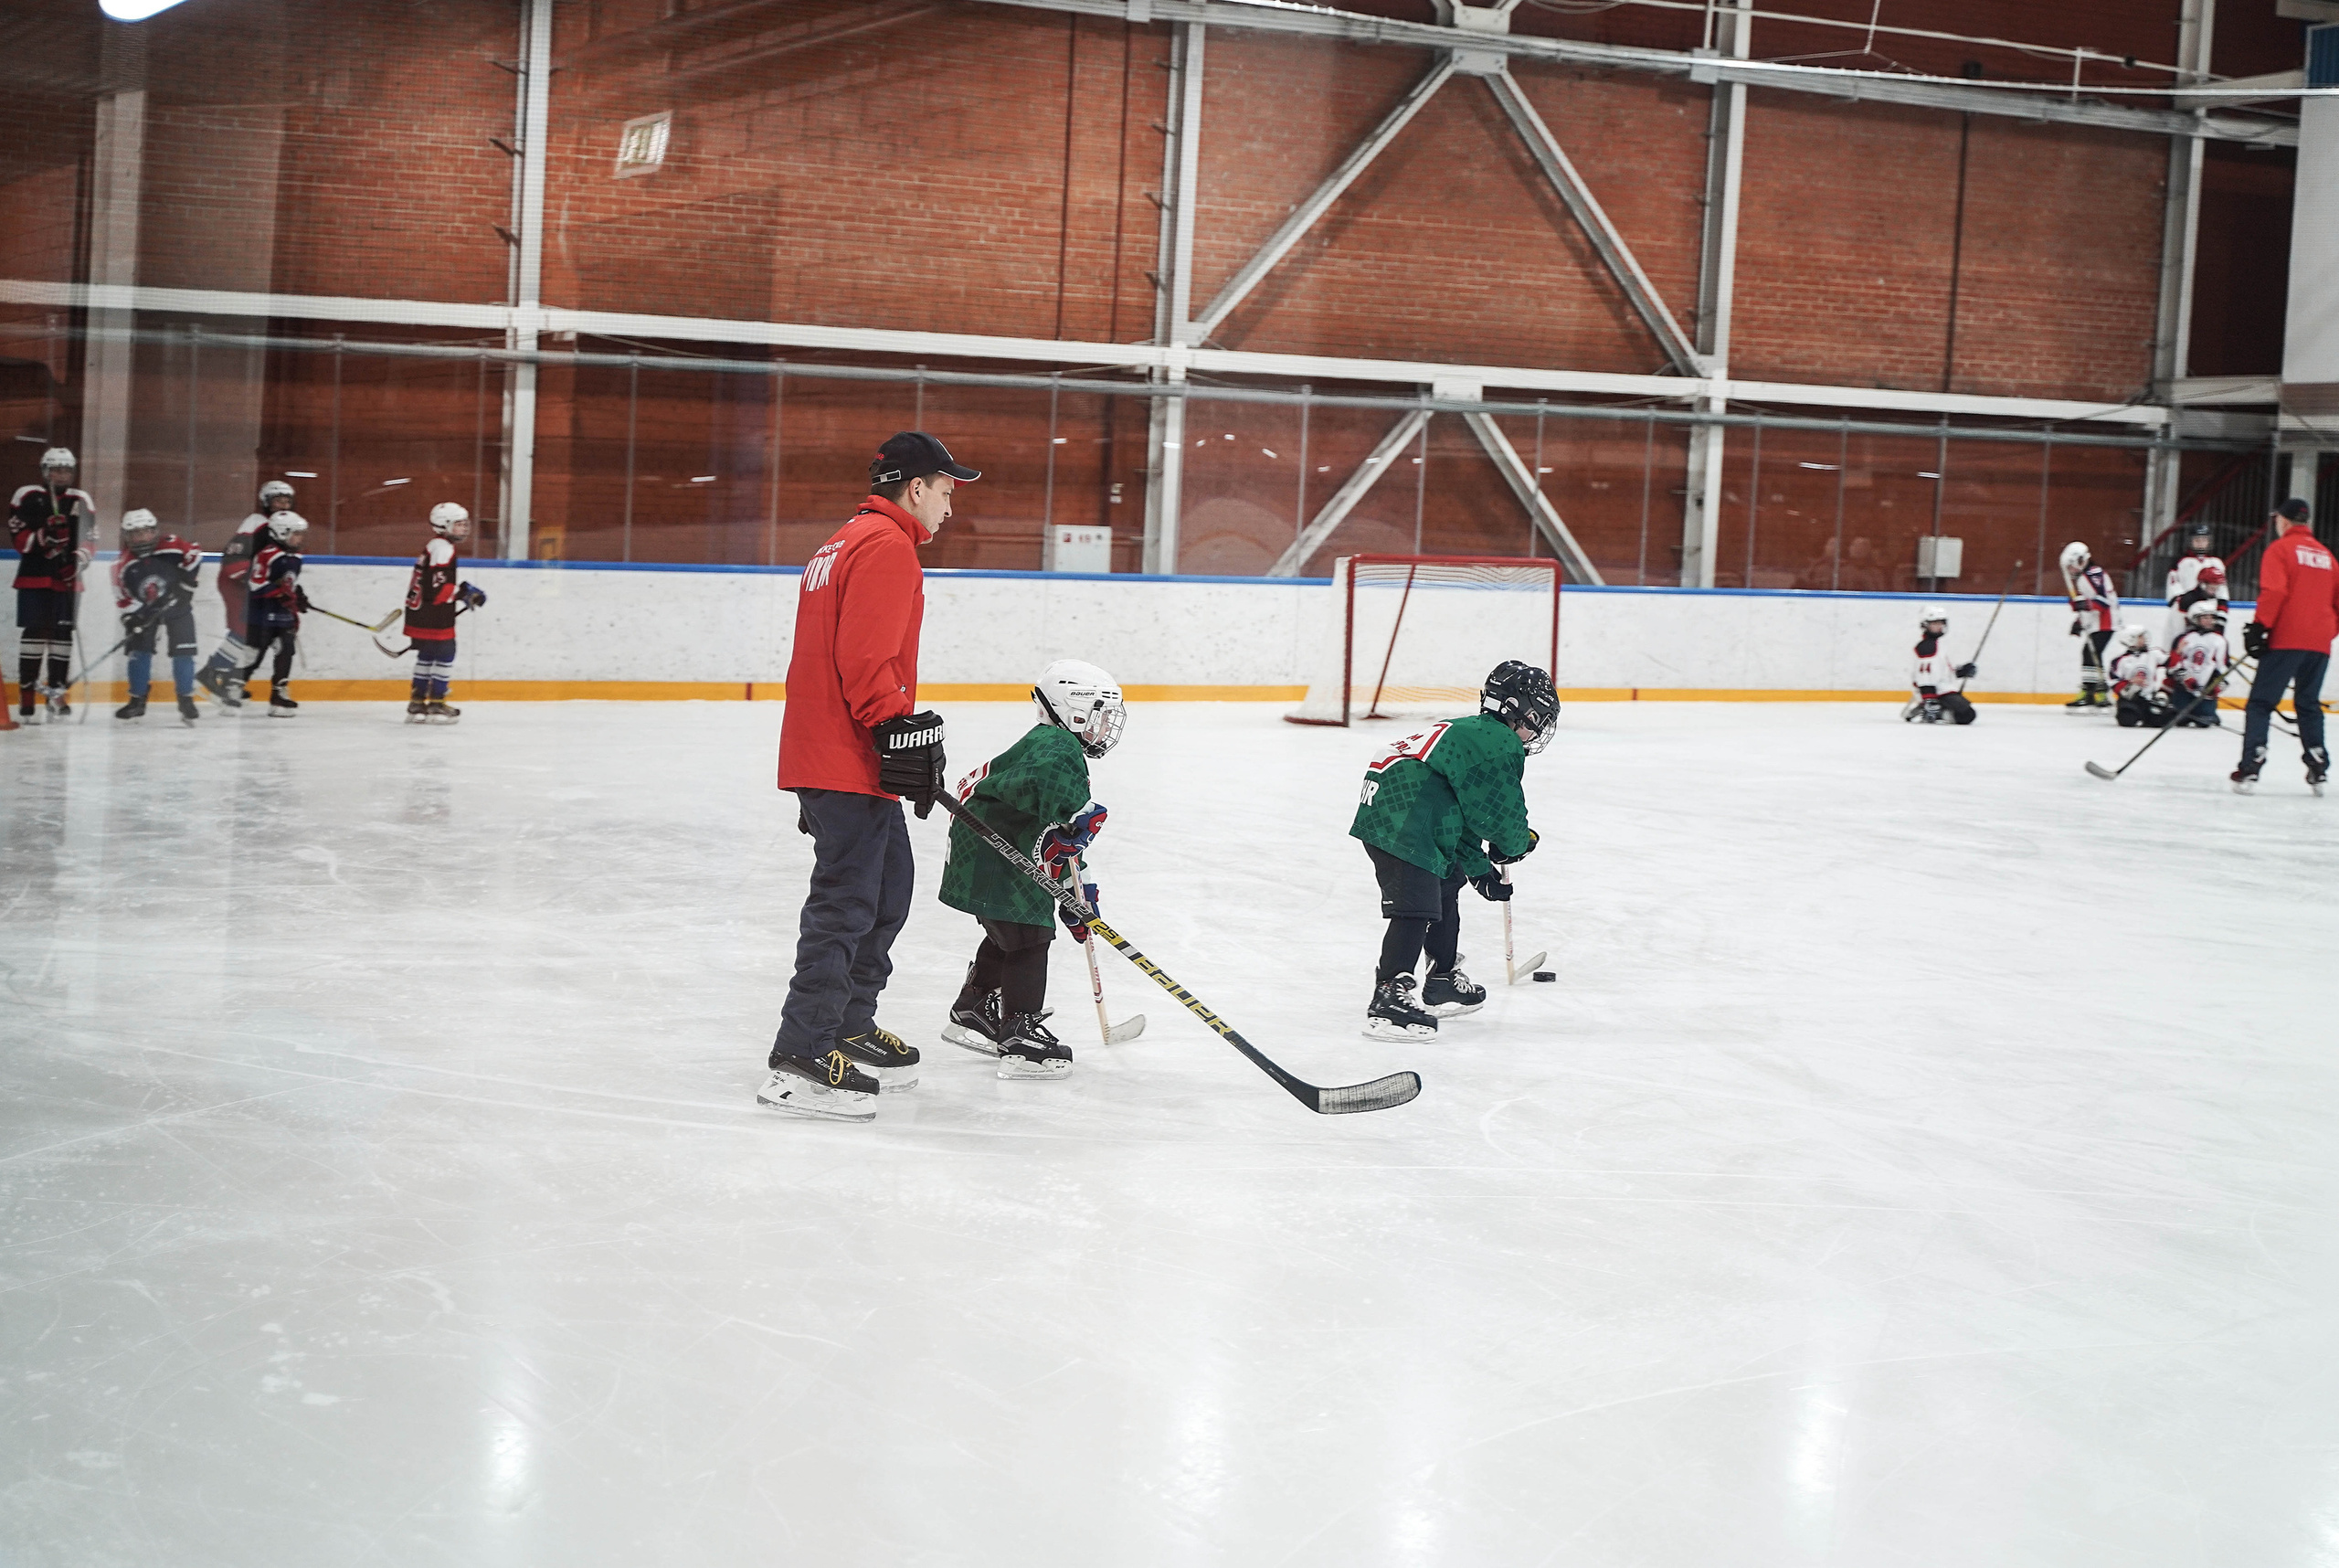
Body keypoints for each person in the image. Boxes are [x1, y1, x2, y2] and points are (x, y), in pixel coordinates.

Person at [756, 430, 977, 1121]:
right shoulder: (886, 546)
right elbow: (864, 656)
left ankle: (848, 1025)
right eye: (946, 492)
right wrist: (893, 726)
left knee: (886, 891)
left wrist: (891, 737)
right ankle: (803, 1053)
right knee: (846, 905)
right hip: (846, 754)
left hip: (840, 753)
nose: (949, 507)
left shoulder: (843, 541)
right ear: (916, 487)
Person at [937, 660, 1126, 1079]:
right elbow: (1056, 800)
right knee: (1028, 938)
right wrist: (1079, 815)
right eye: (1099, 715)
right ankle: (1020, 1036)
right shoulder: (1058, 747)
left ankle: (974, 1006)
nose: (1105, 727)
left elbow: (1058, 833)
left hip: (986, 850)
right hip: (994, 851)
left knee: (1008, 933)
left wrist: (1078, 889)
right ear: (1074, 711)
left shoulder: (1050, 741)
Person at [1349, 660, 1553, 1041]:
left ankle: (1441, 979)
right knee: (1415, 908)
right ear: (1517, 710)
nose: (1538, 729)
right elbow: (1499, 813)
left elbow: (1460, 816)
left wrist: (1478, 868)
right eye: (1537, 717)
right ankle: (1389, 999)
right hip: (1405, 815)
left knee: (1445, 886)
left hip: (1402, 809)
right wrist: (1514, 844)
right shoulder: (1499, 742)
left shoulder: (1475, 732)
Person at [2233, 497, 2339, 794]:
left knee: (2261, 703)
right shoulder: (2327, 557)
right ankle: (2318, 763)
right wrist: (2324, 632)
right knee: (2308, 703)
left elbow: (2275, 592)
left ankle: (2252, 764)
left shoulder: (2280, 550)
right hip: (2319, 643)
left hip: (2287, 639)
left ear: (2283, 520)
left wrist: (2259, 628)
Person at [196, 479, 298, 708]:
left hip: (253, 583)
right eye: (277, 501)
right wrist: (252, 582)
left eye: (287, 501)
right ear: (266, 502)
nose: (283, 505)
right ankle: (211, 672)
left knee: (249, 632)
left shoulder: (283, 525)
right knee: (244, 629)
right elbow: (235, 557)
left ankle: (223, 677)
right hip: (237, 581)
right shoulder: (257, 522)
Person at [11, 446, 94, 722]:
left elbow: (90, 539)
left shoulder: (80, 499)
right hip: (34, 576)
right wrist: (45, 535)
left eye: (67, 470)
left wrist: (77, 562)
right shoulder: (27, 496)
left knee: (62, 635)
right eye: (56, 469)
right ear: (45, 471)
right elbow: (20, 540)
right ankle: (27, 692)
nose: (62, 474)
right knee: (34, 632)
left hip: (67, 580)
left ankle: (57, 693)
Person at [111, 509, 205, 725]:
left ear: (155, 531)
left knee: (184, 652)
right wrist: (132, 618)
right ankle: (137, 701)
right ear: (127, 536)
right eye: (137, 534)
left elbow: (195, 556)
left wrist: (187, 584)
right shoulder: (121, 564)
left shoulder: (172, 544)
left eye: (147, 532)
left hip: (177, 605)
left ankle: (186, 700)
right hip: (145, 611)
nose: (143, 537)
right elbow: (122, 597)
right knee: (139, 652)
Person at [403, 502, 485, 724]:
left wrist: (461, 592)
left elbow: (432, 585)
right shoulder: (444, 549)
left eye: (464, 524)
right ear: (443, 524)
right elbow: (438, 590)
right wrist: (464, 594)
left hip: (420, 612)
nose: (464, 528)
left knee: (427, 655)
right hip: (435, 615)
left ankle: (417, 703)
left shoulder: (434, 545)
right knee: (446, 653)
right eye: (459, 524)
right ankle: (437, 704)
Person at [239, 510, 310, 716]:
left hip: (283, 615)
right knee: (253, 655)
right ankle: (233, 688)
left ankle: (278, 697)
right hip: (260, 615)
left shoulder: (296, 557)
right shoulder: (268, 554)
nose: (300, 538)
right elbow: (255, 585)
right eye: (296, 534)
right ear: (281, 532)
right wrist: (279, 592)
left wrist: (298, 596)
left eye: (301, 534)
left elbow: (289, 583)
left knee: (286, 651)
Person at [2061, 539, 2118, 709]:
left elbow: (2103, 602)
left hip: (2105, 623)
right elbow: (2089, 603)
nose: (2070, 570)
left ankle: (2097, 692)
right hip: (2096, 623)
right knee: (2090, 654)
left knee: (2092, 654)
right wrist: (2079, 621)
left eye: (2071, 566)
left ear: (2080, 560)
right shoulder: (2084, 577)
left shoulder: (2093, 574)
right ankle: (2093, 692)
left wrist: (2084, 605)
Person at [1906, 609, 1978, 725]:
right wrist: (1929, 699)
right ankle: (1935, 711)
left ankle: (1934, 709)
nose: (1939, 626)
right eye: (1935, 623)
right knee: (1966, 715)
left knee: (1966, 712)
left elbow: (1941, 673)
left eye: (1941, 623)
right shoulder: (1927, 647)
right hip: (1936, 692)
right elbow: (1924, 676)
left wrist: (1961, 672)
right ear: (1925, 625)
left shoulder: (1936, 644)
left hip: (1942, 689)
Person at [2165, 600, 2230, 727]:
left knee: (2204, 721)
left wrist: (2215, 686)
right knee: (2180, 720)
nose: (2209, 621)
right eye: (2205, 618)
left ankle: (2210, 712)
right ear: (2195, 619)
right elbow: (2172, 667)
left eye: (2211, 618)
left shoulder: (2220, 641)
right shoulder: (2184, 638)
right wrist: (2185, 678)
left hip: (2205, 691)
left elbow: (2223, 668)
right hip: (2184, 689)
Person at [2164, 521, 2228, 647]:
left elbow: (2222, 594)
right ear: (2190, 541)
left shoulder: (2216, 563)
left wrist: (2220, 619)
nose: (2200, 543)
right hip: (2185, 611)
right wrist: (2187, 607)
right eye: (2197, 540)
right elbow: (2174, 590)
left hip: (2209, 614)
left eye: (2204, 540)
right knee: (2181, 644)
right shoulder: (2181, 562)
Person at [2106, 623, 2170, 729]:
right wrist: (2130, 683)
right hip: (2131, 699)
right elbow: (2113, 682)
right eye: (2140, 637)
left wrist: (2178, 652)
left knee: (2160, 720)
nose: (2144, 639)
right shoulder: (2120, 661)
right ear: (2131, 640)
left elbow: (2171, 663)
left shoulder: (2154, 653)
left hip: (2149, 698)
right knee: (2127, 720)